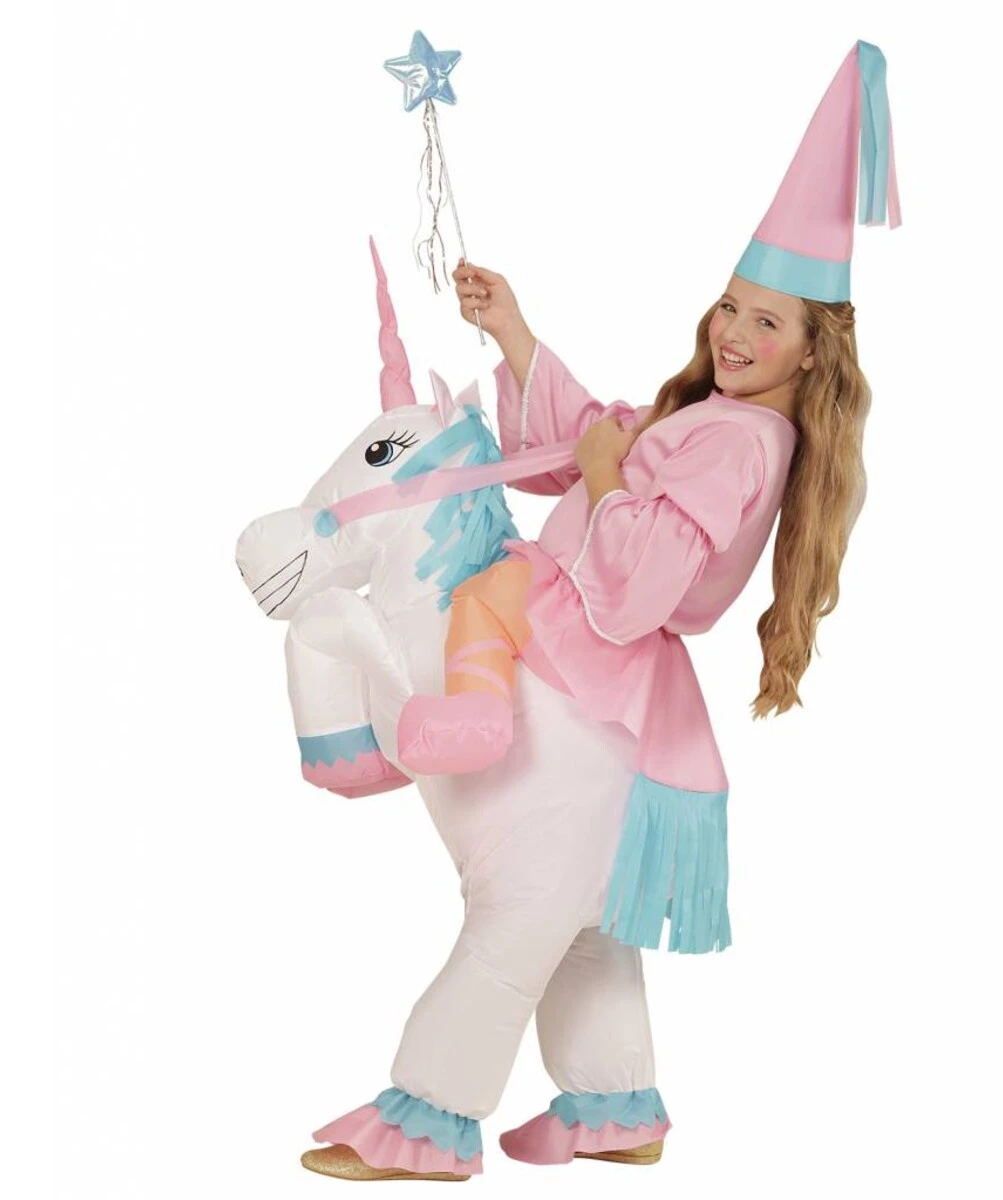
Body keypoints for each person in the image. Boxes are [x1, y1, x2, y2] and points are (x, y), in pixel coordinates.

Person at [302, 39, 900, 1180]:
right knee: (584, 932)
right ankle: (615, 1108)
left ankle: (426, 1121)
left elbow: (644, 580)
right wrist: (515, 336)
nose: (735, 334)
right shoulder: (711, 420)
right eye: (731, 308)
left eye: (768, 324)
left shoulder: (742, 443)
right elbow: (586, 438)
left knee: (516, 894)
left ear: (814, 352)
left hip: (593, 658)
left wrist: (610, 475)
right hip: (609, 683)